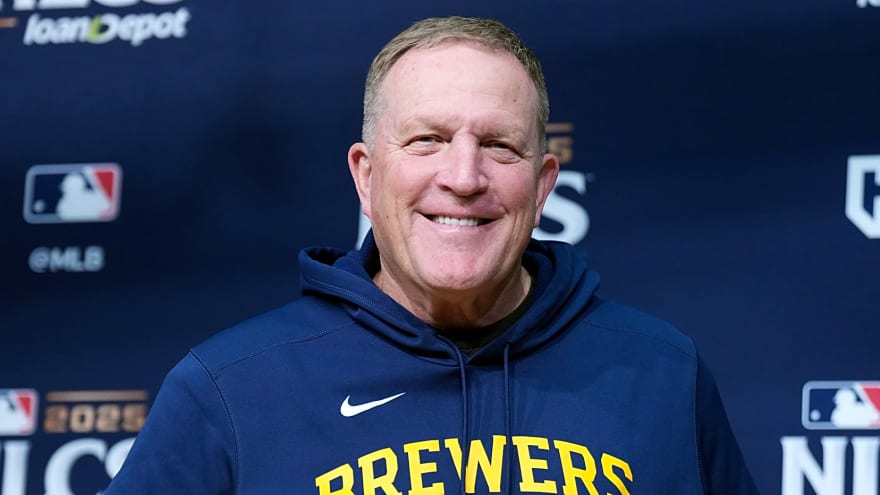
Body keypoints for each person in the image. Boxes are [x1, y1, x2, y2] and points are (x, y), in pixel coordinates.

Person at [106, 16, 759, 495]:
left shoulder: (662, 373)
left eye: (499, 146)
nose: (464, 177)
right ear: (366, 176)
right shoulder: (230, 388)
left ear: (542, 186)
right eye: (427, 140)